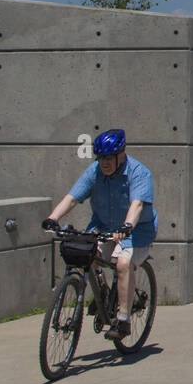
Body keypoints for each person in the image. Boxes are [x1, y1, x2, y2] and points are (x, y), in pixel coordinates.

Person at [45, 129, 157, 341]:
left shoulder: (139, 173)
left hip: (137, 230)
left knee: (123, 263)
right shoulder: (94, 171)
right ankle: (104, 292)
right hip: (103, 227)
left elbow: (138, 204)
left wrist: (127, 226)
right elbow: (72, 197)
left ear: (121, 154)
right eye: (100, 157)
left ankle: (123, 318)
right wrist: (53, 218)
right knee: (84, 252)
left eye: (108, 157)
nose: (103, 162)